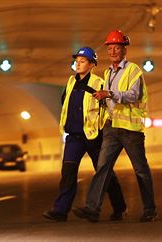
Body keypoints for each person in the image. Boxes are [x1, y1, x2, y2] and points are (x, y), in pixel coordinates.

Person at [72, 30, 157, 223]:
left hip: (131, 130)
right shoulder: (107, 72)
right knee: (102, 167)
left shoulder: (134, 70)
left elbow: (133, 95)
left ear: (124, 50)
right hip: (112, 127)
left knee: (140, 169)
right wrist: (103, 99)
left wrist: (109, 94)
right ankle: (92, 209)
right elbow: (110, 98)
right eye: (110, 48)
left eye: (116, 48)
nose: (112, 51)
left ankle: (150, 209)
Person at [42, 47, 127, 222]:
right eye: (77, 61)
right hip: (74, 137)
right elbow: (64, 103)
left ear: (91, 64)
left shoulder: (99, 82)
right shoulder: (70, 82)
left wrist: (103, 129)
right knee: (68, 172)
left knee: (104, 173)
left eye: (82, 61)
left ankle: (119, 207)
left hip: (93, 136)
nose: (78, 64)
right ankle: (60, 210)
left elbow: (107, 108)